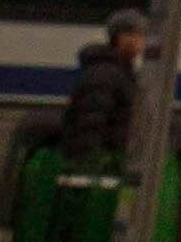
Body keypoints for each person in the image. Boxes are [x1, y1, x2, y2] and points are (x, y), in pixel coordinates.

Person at [56, 12, 148, 164]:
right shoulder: (104, 73)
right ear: (119, 38)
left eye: (141, 35)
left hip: (112, 160)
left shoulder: (123, 72)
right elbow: (90, 122)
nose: (139, 41)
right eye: (133, 34)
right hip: (101, 163)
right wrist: (91, 163)